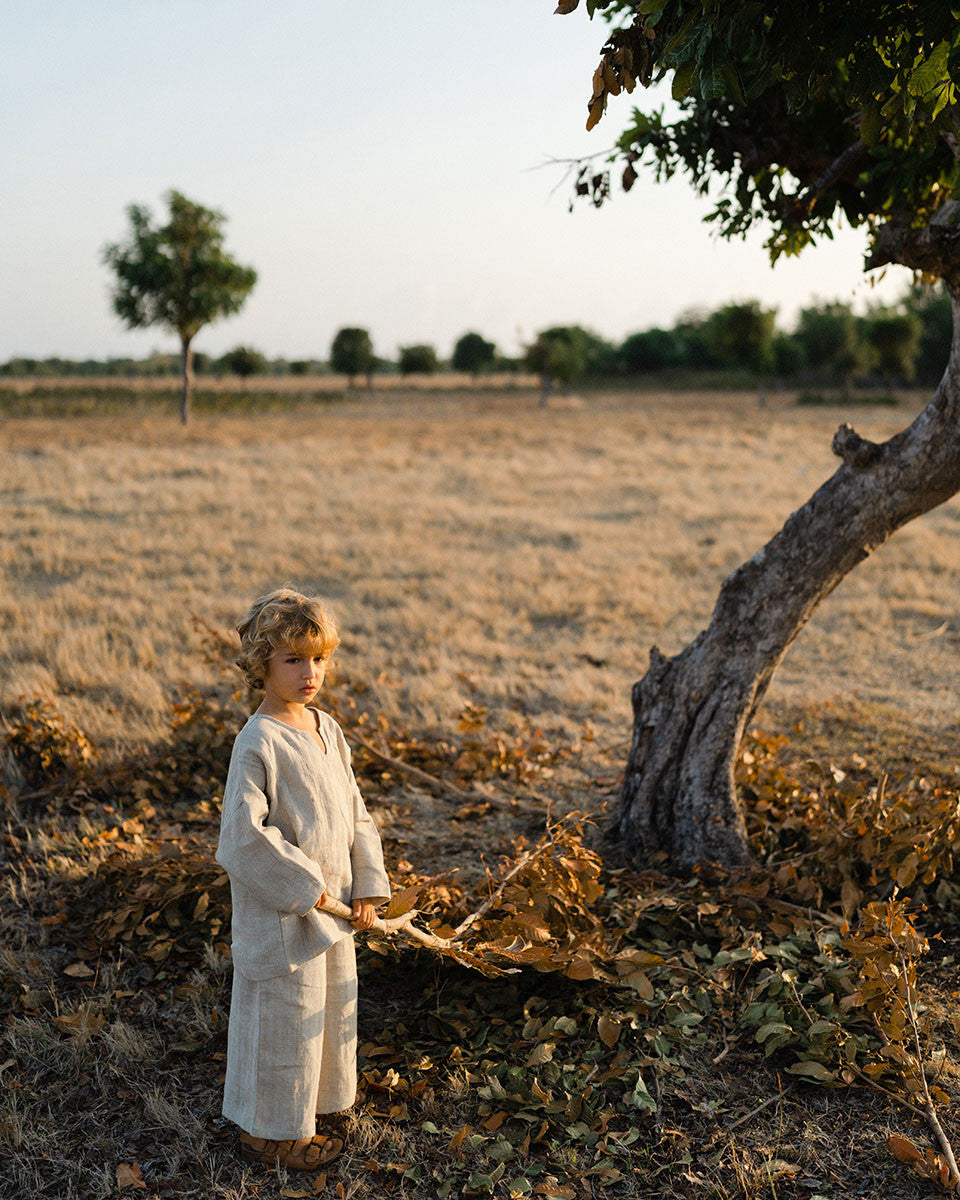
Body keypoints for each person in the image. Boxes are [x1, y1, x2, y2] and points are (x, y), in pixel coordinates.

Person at [216, 587, 391, 1172]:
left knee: (326, 1008)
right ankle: (269, 1137)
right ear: (261, 664)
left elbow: (355, 811)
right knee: (283, 1021)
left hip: (335, 909)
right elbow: (243, 837)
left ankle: (309, 1109)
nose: (310, 672)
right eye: (293, 659)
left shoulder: (327, 728)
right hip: (285, 910)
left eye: (318, 658)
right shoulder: (258, 741)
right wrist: (301, 887)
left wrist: (366, 884)